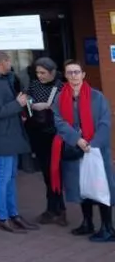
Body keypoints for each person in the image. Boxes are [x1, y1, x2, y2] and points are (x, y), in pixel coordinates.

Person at [52, 60, 114, 242]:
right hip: (75, 149)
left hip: (96, 151)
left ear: (83, 75)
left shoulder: (97, 97)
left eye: (77, 72)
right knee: (82, 186)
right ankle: (87, 222)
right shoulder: (60, 98)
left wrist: (92, 144)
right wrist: (77, 140)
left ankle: (108, 227)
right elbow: (59, 122)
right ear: (65, 75)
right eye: (70, 72)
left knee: (101, 187)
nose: (74, 76)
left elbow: (105, 122)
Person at [0, 51, 38, 234]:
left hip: (10, 135)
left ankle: (13, 214)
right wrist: (18, 104)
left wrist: (20, 106)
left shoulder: (3, 80)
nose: (10, 63)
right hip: (2, 137)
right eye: (8, 60)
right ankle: (2, 217)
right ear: (1, 63)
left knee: (10, 177)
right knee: (3, 178)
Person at [24, 57, 66, 225]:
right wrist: (30, 105)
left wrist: (48, 106)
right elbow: (25, 101)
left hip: (55, 134)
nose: (40, 76)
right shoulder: (33, 85)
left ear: (52, 72)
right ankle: (54, 207)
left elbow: (67, 108)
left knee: (54, 171)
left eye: (43, 73)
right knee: (46, 172)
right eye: (38, 72)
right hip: (37, 133)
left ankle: (57, 208)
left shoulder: (61, 86)